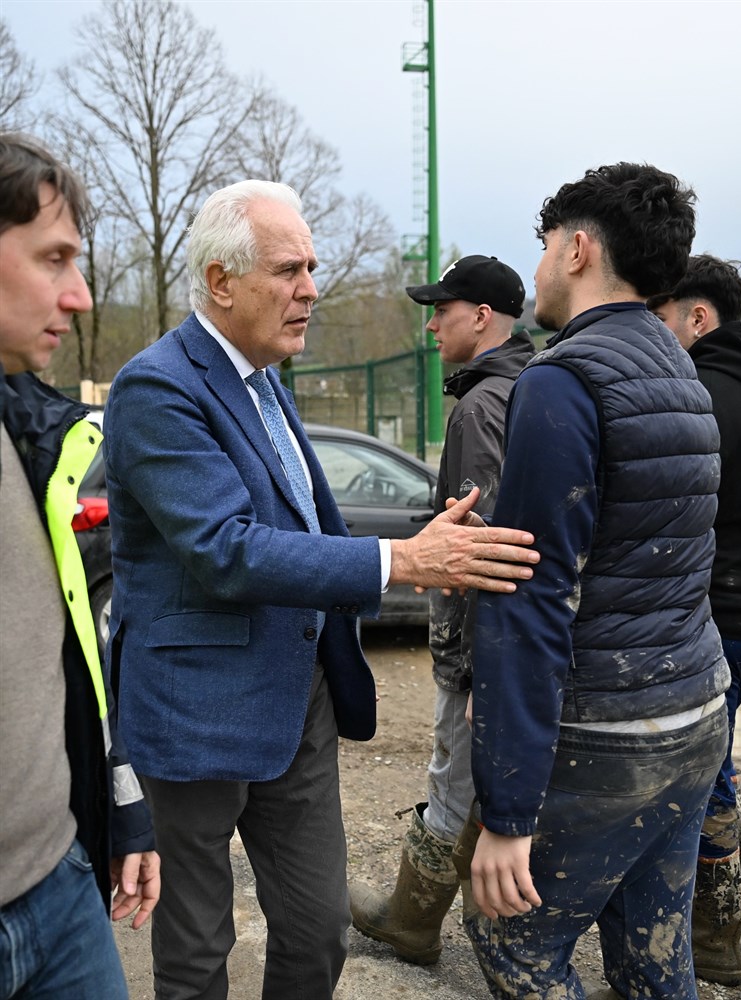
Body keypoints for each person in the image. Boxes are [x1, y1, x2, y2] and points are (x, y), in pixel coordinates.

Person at [103, 179, 540, 1000]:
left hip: (298, 697)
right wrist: (401, 561)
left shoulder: (268, 374)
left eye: (312, 267)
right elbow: (226, 550)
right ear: (221, 281)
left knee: (316, 928)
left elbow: (300, 520)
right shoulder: (156, 388)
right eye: (288, 269)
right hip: (194, 709)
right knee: (198, 949)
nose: (311, 288)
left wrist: (428, 536)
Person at [461, 163, 732, 999]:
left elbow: (537, 600)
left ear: (578, 249)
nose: (538, 268)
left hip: (608, 738)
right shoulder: (677, 366)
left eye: (544, 247)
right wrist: (505, 533)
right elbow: (642, 538)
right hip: (694, 716)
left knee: (512, 939)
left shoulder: (561, 379)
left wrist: (507, 815)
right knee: (655, 960)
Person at [0, 133, 159, 998]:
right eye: (53, 258)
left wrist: (120, 808)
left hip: (59, 888)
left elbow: (76, 657)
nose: (82, 294)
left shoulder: (44, 440)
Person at [350, 255, 535, 964]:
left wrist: (486, 670)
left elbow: (488, 553)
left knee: (454, 775)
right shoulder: (532, 389)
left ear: (481, 317)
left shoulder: (483, 406)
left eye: (443, 309)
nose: (431, 323)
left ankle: (413, 921)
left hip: (481, 649)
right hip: (522, 644)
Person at [648, 254, 741, 985]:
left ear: (698, 317)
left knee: (697, 771)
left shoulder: (697, 395)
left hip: (713, 615)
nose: (657, 331)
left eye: (663, 315)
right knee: (718, 753)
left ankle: (716, 936)